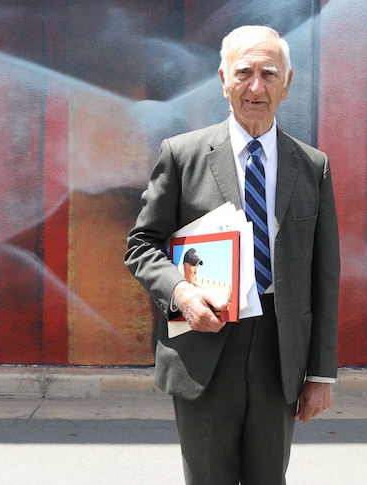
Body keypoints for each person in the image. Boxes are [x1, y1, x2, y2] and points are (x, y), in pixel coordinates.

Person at [124, 25, 341, 485]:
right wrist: (180, 292)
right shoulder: (182, 157)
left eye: (269, 73)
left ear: (288, 82)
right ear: (223, 79)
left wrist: (321, 374)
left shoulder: (312, 166)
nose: (255, 87)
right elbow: (141, 246)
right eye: (244, 73)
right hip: (204, 347)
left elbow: (325, 276)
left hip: (279, 353)